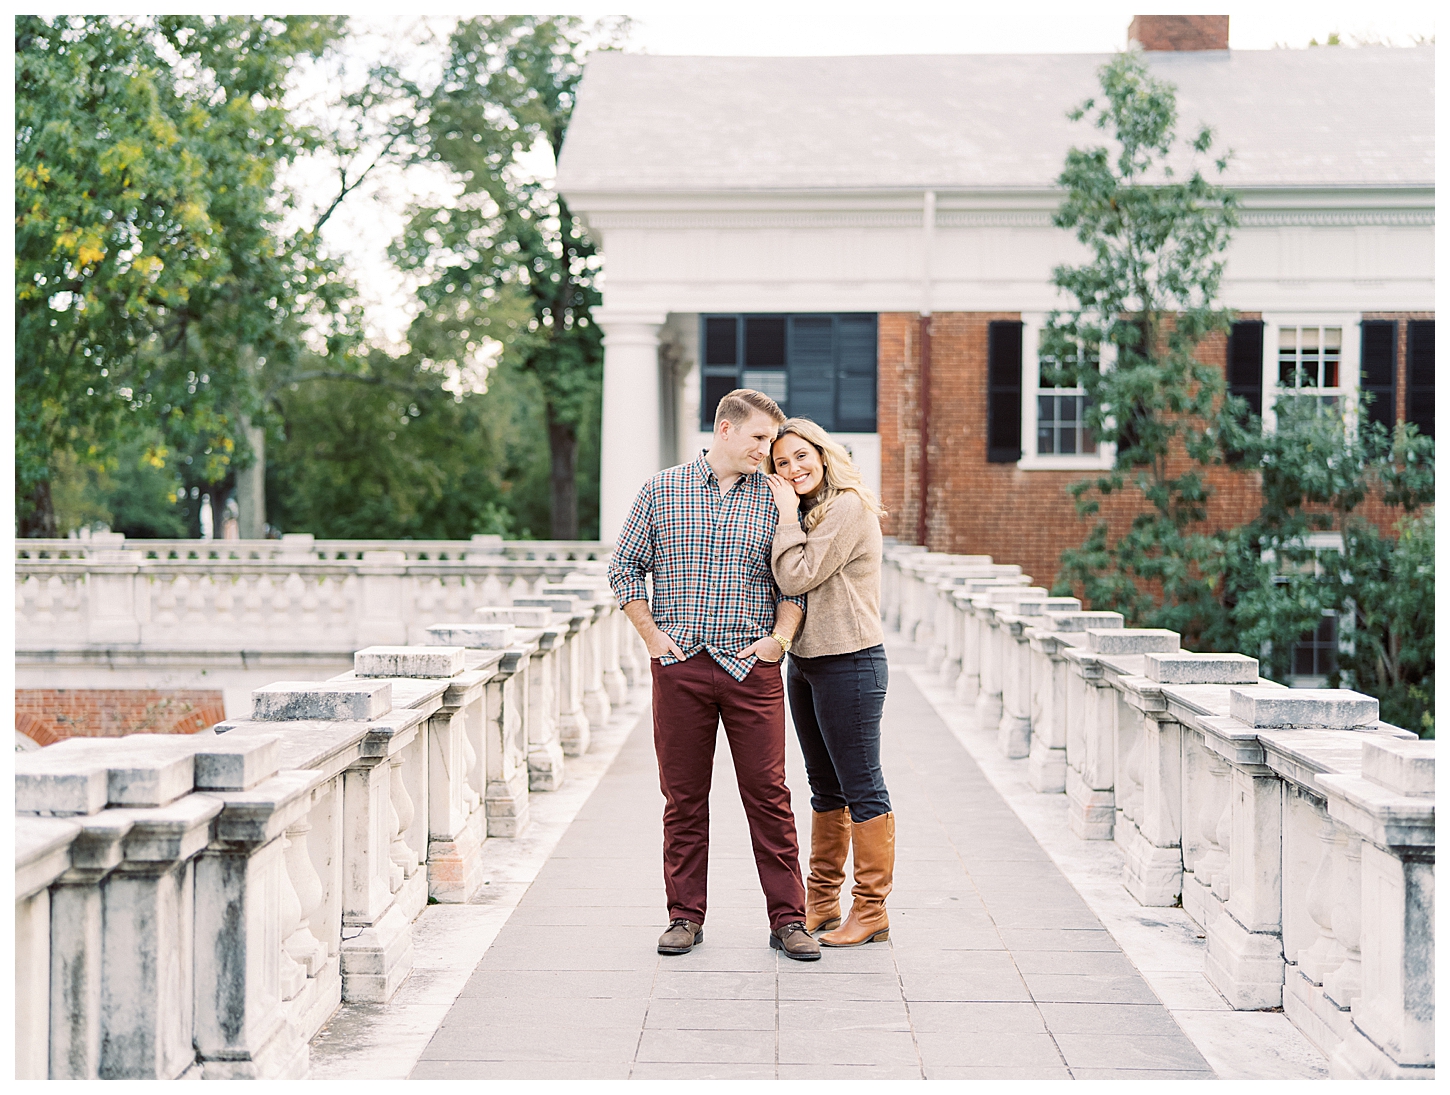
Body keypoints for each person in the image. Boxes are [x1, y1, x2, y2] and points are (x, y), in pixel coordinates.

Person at [608, 389, 821, 962]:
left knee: (770, 797)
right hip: (680, 669)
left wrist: (778, 643)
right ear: (725, 430)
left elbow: (795, 584)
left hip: (751, 671)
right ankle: (684, 916)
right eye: (758, 438)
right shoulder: (661, 491)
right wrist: (654, 640)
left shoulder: (777, 500)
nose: (767, 450)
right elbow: (623, 569)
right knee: (683, 798)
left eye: (771, 441)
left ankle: (788, 920)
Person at [765, 417, 893, 947]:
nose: (793, 468)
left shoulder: (845, 507)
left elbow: (794, 575)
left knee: (862, 787)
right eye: (780, 463)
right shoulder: (812, 511)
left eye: (800, 456)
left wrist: (787, 515)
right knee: (825, 787)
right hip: (809, 661)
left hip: (852, 661)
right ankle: (821, 903)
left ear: (821, 453)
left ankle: (871, 911)